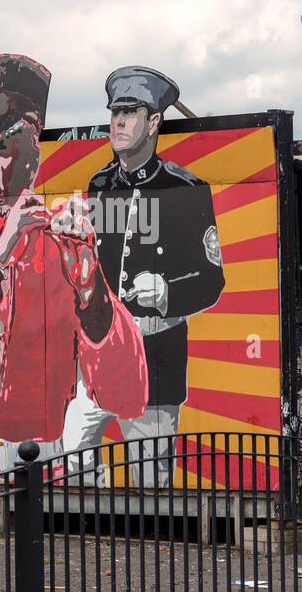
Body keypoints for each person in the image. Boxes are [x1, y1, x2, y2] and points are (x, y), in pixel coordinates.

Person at [0, 54, 147, 479]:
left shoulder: (63, 241)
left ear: (32, 152)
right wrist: (2, 247)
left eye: (0, 149)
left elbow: (128, 392)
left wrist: (90, 282)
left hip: (40, 462)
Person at [62, 65, 224, 488]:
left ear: (154, 122)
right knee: (73, 457)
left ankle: (148, 549)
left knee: (151, 477)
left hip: (156, 355)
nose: (118, 121)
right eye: (115, 112)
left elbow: (212, 279)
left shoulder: (185, 188)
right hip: (99, 352)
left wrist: (168, 290)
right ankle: (85, 540)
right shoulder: (100, 184)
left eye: (130, 113)